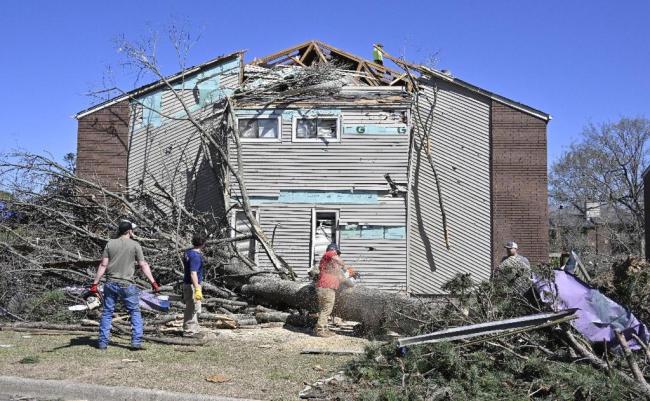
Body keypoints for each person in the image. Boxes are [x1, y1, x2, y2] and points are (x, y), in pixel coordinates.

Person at [90, 220, 160, 350]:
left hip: (110, 283)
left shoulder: (110, 244)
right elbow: (143, 265)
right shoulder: (135, 245)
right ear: (129, 231)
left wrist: (95, 283)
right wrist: (153, 282)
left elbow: (103, 264)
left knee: (107, 313)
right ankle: (136, 342)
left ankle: (103, 343)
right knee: (134, 312)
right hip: (127, 284)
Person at [314, 243, 347, 337]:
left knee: (323, 310)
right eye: (337, 253)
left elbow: (341, 278)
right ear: (333, 250)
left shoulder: (331, 266)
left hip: (325, 287)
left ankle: (325, 329)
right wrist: (345, 266)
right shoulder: (328, 254)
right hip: (326, 287)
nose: (338, 256)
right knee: (326, 309)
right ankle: (320, 330)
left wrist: (350, 275)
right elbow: (337, 259)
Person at [182, 232, 207, 337]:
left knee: (195, 308)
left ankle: (195, 329)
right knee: (192, 308)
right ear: (203, 244)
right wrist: (197, 288)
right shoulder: (196, 256)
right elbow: (193, 273)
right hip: (192, 285)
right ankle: (189, 331)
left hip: (188, 283)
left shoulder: (188, 252)